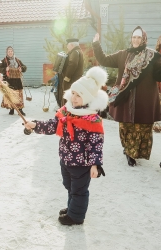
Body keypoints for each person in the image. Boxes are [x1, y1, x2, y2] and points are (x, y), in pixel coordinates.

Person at [24, 67, 108, 225]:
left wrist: (95, 164)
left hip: (81, 163)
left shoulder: (92, 119)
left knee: (79, 190)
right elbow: (52, 125)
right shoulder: (67, 111)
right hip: (66, 158)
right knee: (69, 186)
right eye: (73, 93)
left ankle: (75, 217)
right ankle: (72, 208)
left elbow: (96, 143)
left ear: (89, 97)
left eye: (79, 95)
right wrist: (35, 125)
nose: (74, 98)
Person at [92, 26, 161, 167]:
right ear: (131, 38)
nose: (136, 40)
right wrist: (96, 44)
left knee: (143, 126)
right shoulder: (123, 54)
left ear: (144, 39)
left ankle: (138, 151)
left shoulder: (152, 56)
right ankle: (129, 152)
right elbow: (104, 60)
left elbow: (158, 75)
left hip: (145, 99)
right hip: (125, 97)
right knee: (126, 126)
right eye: (134, 37)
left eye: (139, 37)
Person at [0, 46, 27, 116]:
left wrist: (21, 69)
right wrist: (5, 69)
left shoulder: (17, 60)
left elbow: (25, 67)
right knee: (10, 94)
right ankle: (11, 109)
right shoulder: (4, 61)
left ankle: (20, 109)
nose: (10, 52)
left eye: (11, 51)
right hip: (9, 80)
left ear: (13, 52)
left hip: (17, 80)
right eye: (9, 51)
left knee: (18, 95)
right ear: (7, 53)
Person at [57, 38, 84, 107]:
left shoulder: (75, 52)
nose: (67, 47)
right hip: (76, 79)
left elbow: (73, 64)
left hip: (72, 79)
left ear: (71, 45)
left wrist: (67, 76)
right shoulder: (78, 51)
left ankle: (66, 111)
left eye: (67, 45)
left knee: (68, 95)